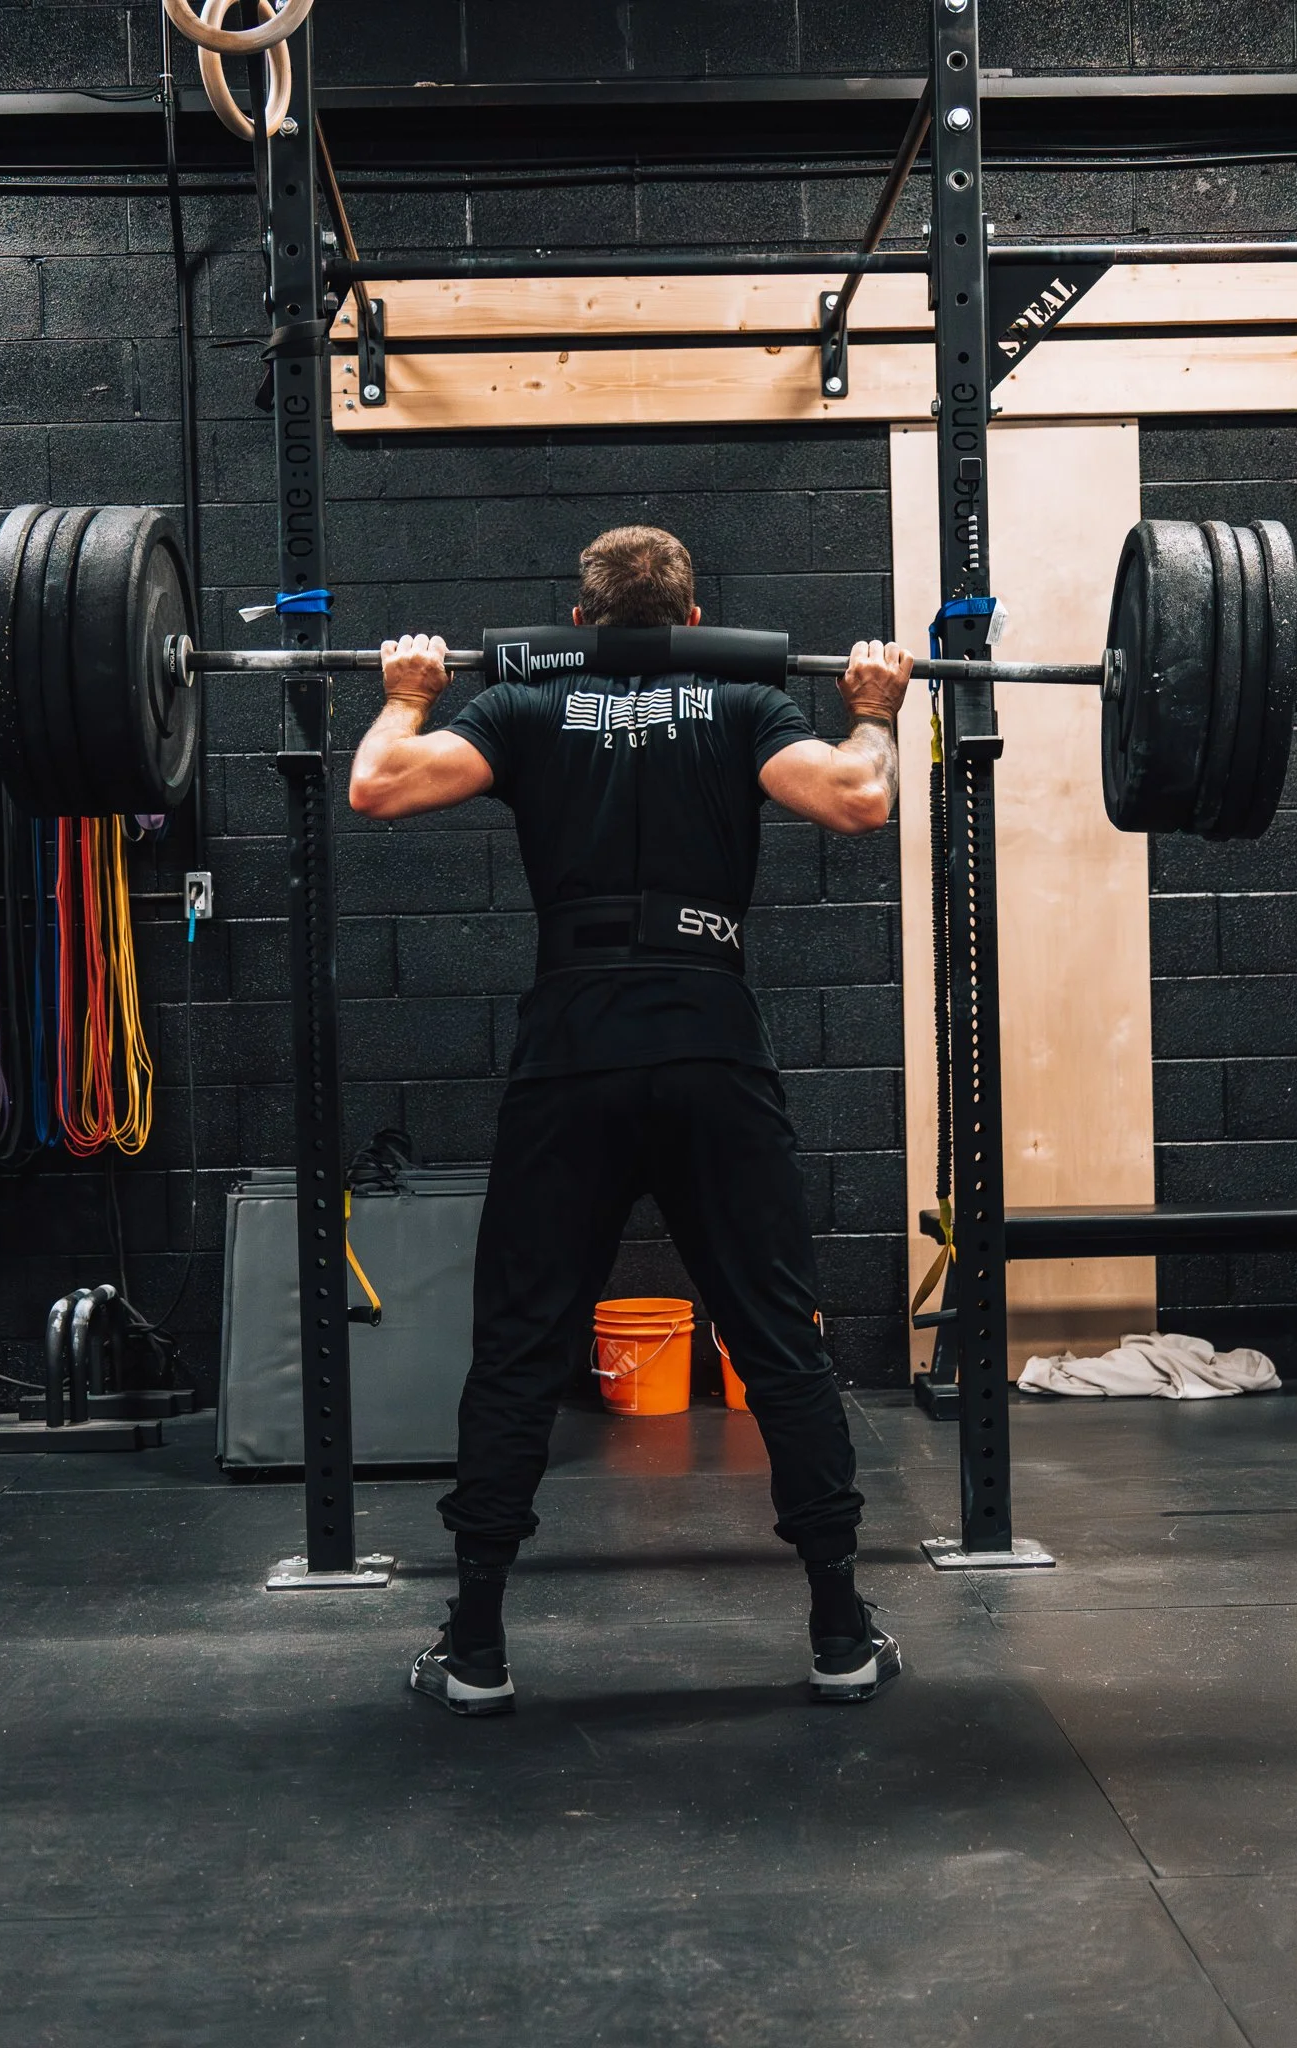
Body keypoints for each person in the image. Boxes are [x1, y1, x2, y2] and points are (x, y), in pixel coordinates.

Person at [349, 525, 912, 1717]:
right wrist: (876, 706)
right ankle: (838, 1629)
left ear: (581, 618)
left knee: (515, 1346)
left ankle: (479, 1645)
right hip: (711, 1043)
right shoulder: (746, 701)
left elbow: (376, 784)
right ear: (695, 614)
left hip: (574, 1050)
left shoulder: (521, 707)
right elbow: (863, 799)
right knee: (778, 1341)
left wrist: (406, 694)